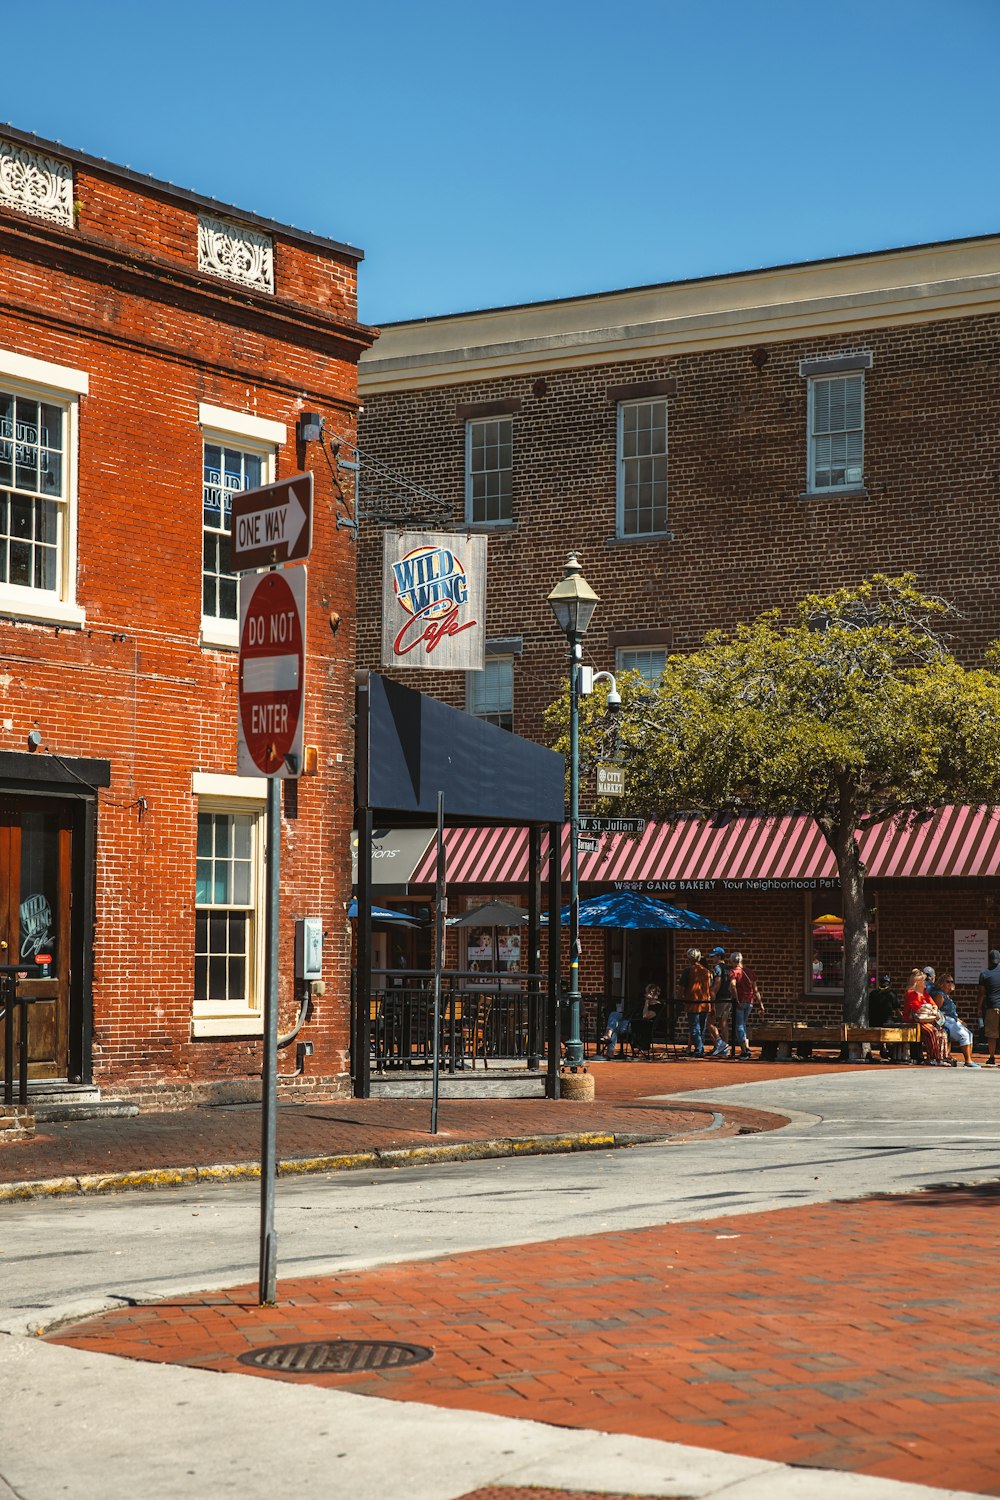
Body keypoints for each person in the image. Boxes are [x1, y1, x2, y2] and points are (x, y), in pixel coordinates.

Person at [902, 968, 948, 1065]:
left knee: (942, 1033)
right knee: (932, 1031)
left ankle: (942, 1057)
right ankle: (933, 1058)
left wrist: (932, 1009)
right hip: (914, 1020)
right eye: (923, 980)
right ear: (917, 982)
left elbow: (934, 1005)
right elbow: (917, 1010)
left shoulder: (925, 994)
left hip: (926, 1019)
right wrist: (930, 1010)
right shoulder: (911, 993)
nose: (925, 982)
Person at [936, 972, 980, 1067]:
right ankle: (968, 1061)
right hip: (946, 1021)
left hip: (953, 1020)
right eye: (948, 981)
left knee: (969, 1034)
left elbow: (951, 1013)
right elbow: (937, 1011)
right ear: (941, 983)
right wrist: (941, 1023)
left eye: (952, 981)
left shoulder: (947, 996)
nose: (950, 983)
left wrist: (960, 1021)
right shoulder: (940, 995)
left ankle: (969, 1059)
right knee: (963, 1035)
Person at [679, 947, 713, 1058]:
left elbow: (682, 988)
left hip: (693, 1003)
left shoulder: (688, 971)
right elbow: (710, 988)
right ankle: (700, 1047)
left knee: (694, 1027)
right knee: (701, 1028)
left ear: (689, 958)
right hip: (705, 1003)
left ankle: (699, 1049)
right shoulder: (707, 972)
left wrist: (680, 999)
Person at [728, 951, 757, 1060]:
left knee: (739, 1026)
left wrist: (736, 999)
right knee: (743, 1024)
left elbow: (733, 986)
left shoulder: (733, 972)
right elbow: (755, 989)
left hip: (740, 1001)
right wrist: (761, 1003)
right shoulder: (749, 972)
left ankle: (745, 1050)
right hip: (750, 1001)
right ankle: (746, 1047)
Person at [977, 949, 1000, 1066]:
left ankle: (992, 1057)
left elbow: (982, 993)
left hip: (992, 1006)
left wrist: (979, 1008)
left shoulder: (984, 973)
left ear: (989, 960)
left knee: (992, 1034)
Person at [633, 983, 662, 1058]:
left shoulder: (657, 1006)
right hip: (633, 1022)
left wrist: (646, 1002)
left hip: (642, 1026)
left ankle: (610, 1049)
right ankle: (608, 1035)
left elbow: (645, 1016)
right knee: (614, 1016)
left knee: (615, 1026)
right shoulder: (643, 1004)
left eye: (650, 993)